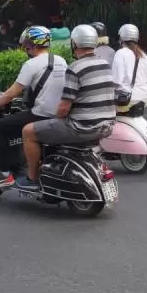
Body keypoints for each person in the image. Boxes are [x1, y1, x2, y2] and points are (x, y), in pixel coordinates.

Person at [18, 24, 116, 191]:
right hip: (106, 126)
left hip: (81, 127)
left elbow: (64, 107)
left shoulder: (75, 68)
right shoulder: (105, 64)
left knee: (28, 131)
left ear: (75, 44)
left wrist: (55, 119)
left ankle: (32, 178)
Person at [0, 25, 66, 187]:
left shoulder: (31, 64)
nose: (25, 46)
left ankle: (5, 174)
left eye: (27, 42)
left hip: (42, 113)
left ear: (33, 43)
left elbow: (11, 94)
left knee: (0, 125)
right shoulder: (61, 61)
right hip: (60, 114)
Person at [112, 23, 147, 112]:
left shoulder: (120, 53)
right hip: (146, 96)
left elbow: (116, 82)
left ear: (121, 38)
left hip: (127, 98)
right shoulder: (143, 55)